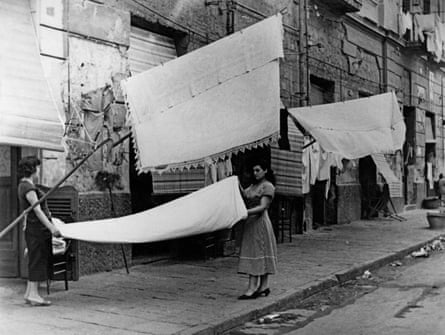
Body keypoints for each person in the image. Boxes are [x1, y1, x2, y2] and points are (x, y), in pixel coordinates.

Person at [18, 156, 61, 306]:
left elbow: (26, 212)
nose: (38, 170)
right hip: (37, 229)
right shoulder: (28, 188)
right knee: (38, 260)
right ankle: (35, 295)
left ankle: (29, 293)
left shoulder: (23, 185)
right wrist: (51, 228)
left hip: (33, 228)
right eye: (37, 167)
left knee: (35, 260)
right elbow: (37, 210)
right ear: (32, 169)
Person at [237, 159, 278, 299]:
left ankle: (254, 287)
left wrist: (245, 213)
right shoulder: (253, 186)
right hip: (250, 223)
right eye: (253, 171)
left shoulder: (267, 186)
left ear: (265, 171)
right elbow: (244, 195)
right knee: (255, 252)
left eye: (258, 170)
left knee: (259, 251)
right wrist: (235, 184)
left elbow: (263, 207)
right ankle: (263, 286)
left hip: (260, 223)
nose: (255, 173)